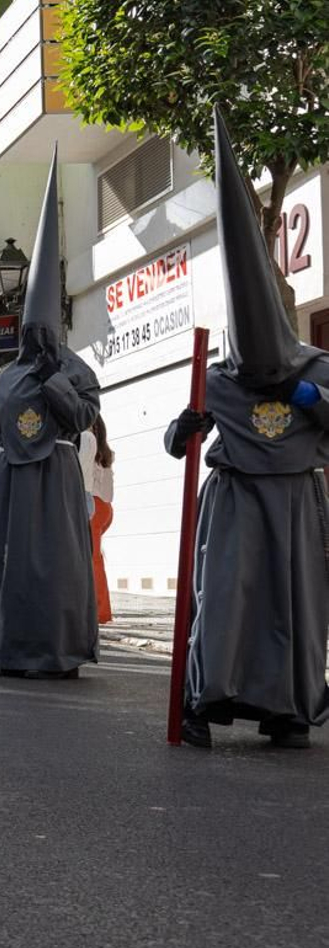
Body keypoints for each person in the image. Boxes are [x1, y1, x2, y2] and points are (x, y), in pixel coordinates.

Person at [166, 109, 329, 749]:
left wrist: (308, 394)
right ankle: (203, 700)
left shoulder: (316, 367)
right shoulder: (215, 374)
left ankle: (287, 708)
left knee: (293, 606)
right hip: (233, 499)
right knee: (225, 603)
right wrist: (184, 427)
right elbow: (178, 445)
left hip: (295, 499)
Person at [0, 149, 100, 679]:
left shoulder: (75, 367)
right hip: (13, 485)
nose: (36, 339)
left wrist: (53, 378)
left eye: (44, 332)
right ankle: (14, 647)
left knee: (62, 569)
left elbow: (83, 419)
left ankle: (62, 651)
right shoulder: (4, 379)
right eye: (31, 332)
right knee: (16, 569)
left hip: (58, 480)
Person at [78, 413, 114, 625]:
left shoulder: (85, 442)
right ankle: (100, 610)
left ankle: (100, 612)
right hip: (106, 506)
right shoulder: (106, 453)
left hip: (93, 503)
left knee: (92, 558)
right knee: (94, 556)